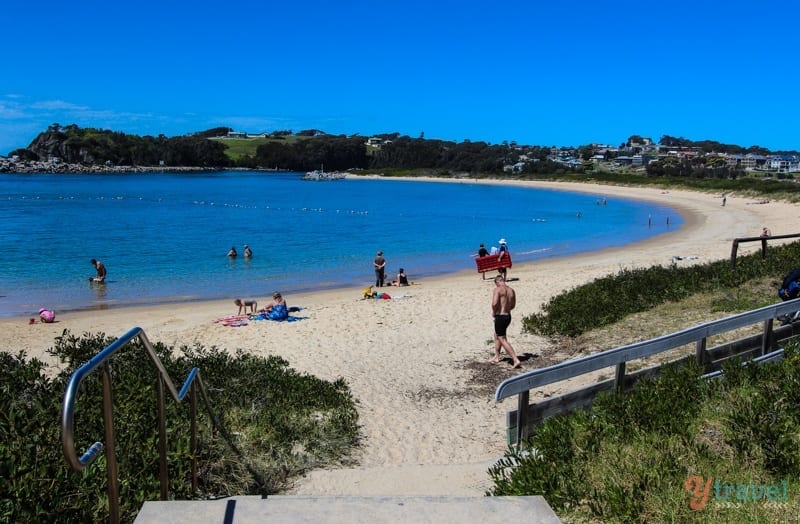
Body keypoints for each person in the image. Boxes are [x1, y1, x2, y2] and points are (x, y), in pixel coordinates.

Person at [490, 275, 521, 368]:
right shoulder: (511, 290)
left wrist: (494, 312)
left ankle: (515, 359)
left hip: (500, 316)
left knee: (502, 338)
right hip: (508, 316)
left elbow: (494, 303)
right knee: (497, 335)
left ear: (497, 282)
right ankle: (497, 356)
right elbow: (513, 305)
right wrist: (506, 309)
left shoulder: (498, 290)